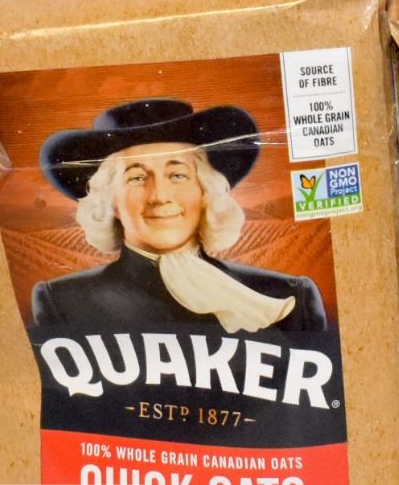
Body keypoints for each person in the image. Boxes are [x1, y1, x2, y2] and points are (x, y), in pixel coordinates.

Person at [30, 98, 325, 333]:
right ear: (110, 201)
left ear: (204, 191)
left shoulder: (286, 297)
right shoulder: (63, 302)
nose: (160, 196)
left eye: (177, 175)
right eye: (136, 178)